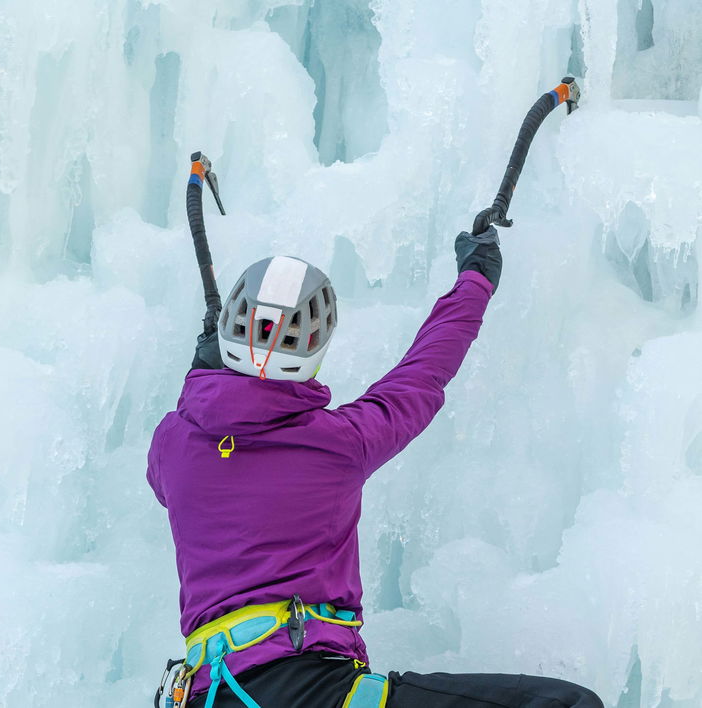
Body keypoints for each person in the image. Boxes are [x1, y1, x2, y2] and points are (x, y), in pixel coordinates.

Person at [147, 229, 603, 708]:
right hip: (312, 689)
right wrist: (475, 278)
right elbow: (422, 374)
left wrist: (203, 373)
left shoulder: (172, 444)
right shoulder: (338, 444)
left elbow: (181, 467)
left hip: (205, 693)